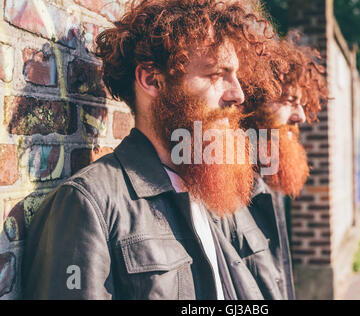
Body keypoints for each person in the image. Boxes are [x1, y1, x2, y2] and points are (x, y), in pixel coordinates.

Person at [21, 0, 279, 299]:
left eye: (235, 76)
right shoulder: (88, 205)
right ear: (152, 80)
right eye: (215, 75)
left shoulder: (210, 188)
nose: (238, 94)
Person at [221, 38, 329, 299]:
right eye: (290, 101)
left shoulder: (268, 175)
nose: (301, 117)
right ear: (251, 100)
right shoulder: (222, 188)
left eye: (302, 104)